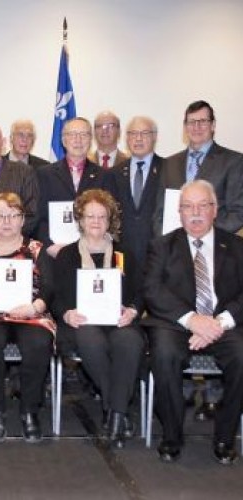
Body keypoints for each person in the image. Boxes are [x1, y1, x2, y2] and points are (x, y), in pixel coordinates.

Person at [143, 180, 243, 465]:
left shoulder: (236, 246)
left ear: (215, 210)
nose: (195, 213)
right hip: (176, 324)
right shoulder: (162, 245)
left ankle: (225, 437)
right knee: (163, 354)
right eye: (188, 207)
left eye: (202, 206)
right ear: (179, 212)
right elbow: (152, 289)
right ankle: (172, 436)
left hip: (224, 324)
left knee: (242, 356)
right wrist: (193, 321)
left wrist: (218, 323)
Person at [53, 189, 144, 448]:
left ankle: (114, 414)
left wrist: (133, 310)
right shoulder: (67, 255)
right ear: (80, 219)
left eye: (101, 217)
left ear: (110, 221)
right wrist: (66, 313)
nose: (95, 221)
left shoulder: (123, 254)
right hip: (82, 322)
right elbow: (56, 296)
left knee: (129, 342)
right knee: (90, 339)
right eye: (90, 216)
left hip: (119, 321)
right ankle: (118, 411)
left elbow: (140, 291)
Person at [0, 192, 55, 443]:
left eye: (13, 215)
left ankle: (29, 411)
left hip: (30, 315)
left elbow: (50, 287)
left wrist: (36, 306)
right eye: (0, 215)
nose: (7, 221)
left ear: (22, 219)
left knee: (38, 342)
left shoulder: (37, 249)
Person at [154, 100, 243, 236]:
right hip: (176, 249)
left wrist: (205, 236)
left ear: (213, 125)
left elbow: (238, 213)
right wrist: (168, 241)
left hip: (215, 249)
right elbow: (159, 213)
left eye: (203, 121)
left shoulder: (233, 161)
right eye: (191, 122)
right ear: (185, 127)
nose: (197, 127)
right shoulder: (169, 163)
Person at [37, 117, 117, 258]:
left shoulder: (105, 176)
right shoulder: (43, 174)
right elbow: (38, 215)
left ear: (90, 140)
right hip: (54, 254)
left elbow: (110, 216)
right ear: (63, 140)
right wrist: (49, 245)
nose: (78, 140)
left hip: (93, 252)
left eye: (83, 135)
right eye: (73, 134)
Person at [109, 116, 164, 265]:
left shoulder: (168, 169)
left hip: (158, 254)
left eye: (144, 133)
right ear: (127, 138)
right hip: (122, 254)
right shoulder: (114, 174)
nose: (138, 139)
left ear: (154, 137)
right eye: (133, 133)